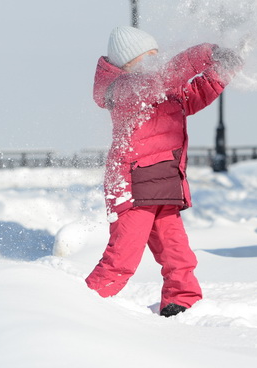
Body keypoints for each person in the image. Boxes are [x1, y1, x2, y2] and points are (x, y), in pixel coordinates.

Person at [85, 26, 243, 317]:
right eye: (148, 57)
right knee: (122, 258)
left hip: (164, 181)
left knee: (177, 254)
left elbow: (193, 95)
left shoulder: (158, 88)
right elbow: (166, 75)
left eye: (156, 56)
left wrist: (224, 69)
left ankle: (182, 302)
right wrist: (207, 53)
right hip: (133, 184)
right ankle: (79, 307)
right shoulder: (124, 89)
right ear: (127, 63)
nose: (154, 62)